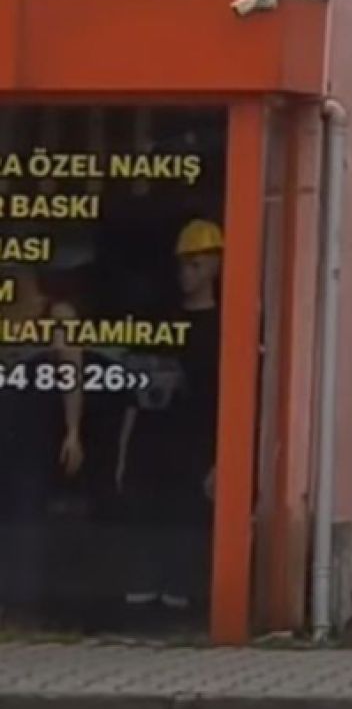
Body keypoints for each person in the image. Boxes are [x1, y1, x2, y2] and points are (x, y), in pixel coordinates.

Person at [118, 219, 223, 619]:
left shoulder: (225, 327)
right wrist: (124, 449)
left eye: (195, 264)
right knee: (146, 510)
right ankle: (145, 585)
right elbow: (135, 386)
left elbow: (229, 397)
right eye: (183, 265)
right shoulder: (162, 321)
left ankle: (180, 590)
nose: (187, 273)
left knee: (184, 514)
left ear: (214, 265)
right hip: (152, 437)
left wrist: (220, 461)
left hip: (193, 441)